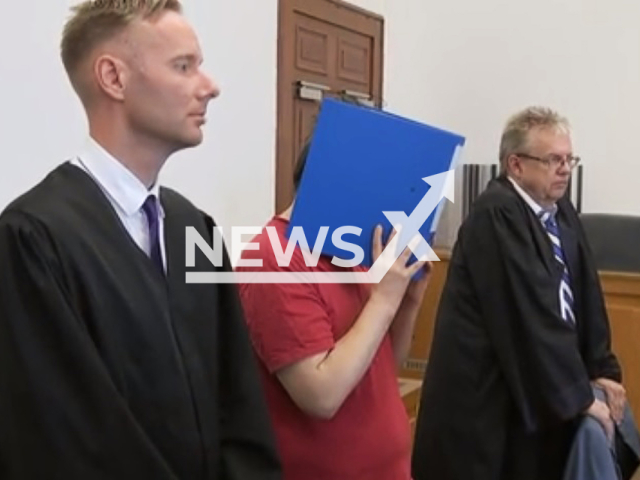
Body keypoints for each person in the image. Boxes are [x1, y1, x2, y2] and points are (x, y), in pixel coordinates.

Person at [0, 1, 280, 479]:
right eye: (183, 65)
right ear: (114, 77)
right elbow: (62, 438)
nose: (210, 86)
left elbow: (239, 399)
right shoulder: (33, 239)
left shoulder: (196, 228)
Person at [411, 106, 639, 480]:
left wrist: (601, 371)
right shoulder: (497, 215)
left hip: (528, 396)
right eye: (553, 160)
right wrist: (580, 396)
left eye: (569, 159)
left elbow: (585, 298)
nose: (565, 169)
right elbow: (531, 317)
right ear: (515, 165)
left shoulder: (558, 211)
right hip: (484, 408)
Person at [237, 143, 432, 480]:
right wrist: (384, 301)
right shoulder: (271, 257)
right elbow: (321, 395)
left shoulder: (346, 248)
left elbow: (383, 365)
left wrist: (408, 302)